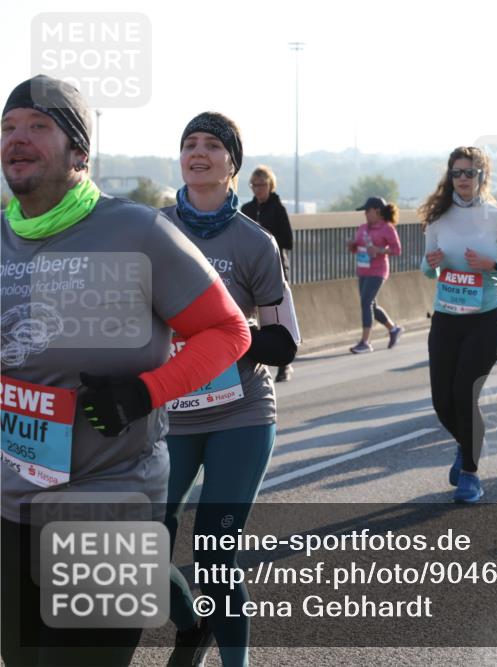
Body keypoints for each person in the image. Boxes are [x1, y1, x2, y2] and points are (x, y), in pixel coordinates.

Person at [1, 76, 250, 666]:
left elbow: (228, 331)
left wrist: (145, 393)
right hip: (14, 501)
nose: (18, 139)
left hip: (110, 500)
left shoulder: (137, 231)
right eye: (9, 128)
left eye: (39, 126)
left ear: (80, 152)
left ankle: (187, 613)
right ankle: (190, 617)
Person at [162, 111, 301, 667]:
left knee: (214, 552)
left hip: (239, 413)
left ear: (232, 166)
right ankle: (192, 623)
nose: (198, 152)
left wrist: (219, 338)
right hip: (169, 412)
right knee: (139, 537)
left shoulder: (254, 242)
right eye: (189, 143)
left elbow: (285, 342)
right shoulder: (151, 232)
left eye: (212, 146)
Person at [420, 146, 497, 502]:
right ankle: (468, 442)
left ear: (482, 176)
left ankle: (470, 472)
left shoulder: (496, 218)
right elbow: (427, 268)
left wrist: (491, 265)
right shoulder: (438, 217)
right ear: (449, 177)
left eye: (469, 173)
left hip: (486, 317)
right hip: (447, 316)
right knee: (441, 401)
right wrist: (431, 263)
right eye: (457, 173)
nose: (462, 179)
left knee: (465, 392)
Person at [241, 165, 295, 381]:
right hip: (250, 271)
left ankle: (284, 365)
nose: (257, 189)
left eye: (261, 184)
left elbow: (288, 241)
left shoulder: (278, 208)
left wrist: (264, 241)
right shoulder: (245, 209)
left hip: (276, 269)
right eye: (254, 185)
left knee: (277, 320)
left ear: (270, 185)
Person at [346, 196, 404, 353]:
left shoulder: (387, 228)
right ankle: (393, 329)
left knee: (366, 303)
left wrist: (379, 250)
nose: (365, 214)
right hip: (363, 269)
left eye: (367, 210)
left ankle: (365, 342)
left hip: (378, 271)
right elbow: (357, 246)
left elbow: (397, 250)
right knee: (371, 304)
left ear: (377, 211)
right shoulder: (362, 227)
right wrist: (352, 245)